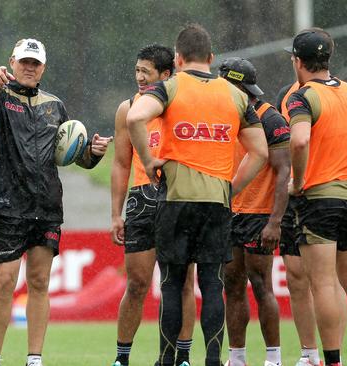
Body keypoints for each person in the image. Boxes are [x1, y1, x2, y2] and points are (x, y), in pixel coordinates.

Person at [126, 24, 268, 366]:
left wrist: (147, 160)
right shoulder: (234, 95)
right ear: (211, 58)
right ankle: (214, 360)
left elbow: (134, 118)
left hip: (175, 198)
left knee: (173, 282)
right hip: (216, 202)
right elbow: (260, 151)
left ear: (177, 58)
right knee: (212, 283)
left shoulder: (169, 87)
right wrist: (231, 185)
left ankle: (166, 358)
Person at [0, 38, 111, 366]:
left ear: (43, 67)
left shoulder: (55, 105)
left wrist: (93, 153)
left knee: (39, 281)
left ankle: (35, 359)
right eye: (24, 62)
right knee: (5, 280)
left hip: (46, 205)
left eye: (35, 63)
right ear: (12, 62)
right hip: (5, 203)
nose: (29, 68)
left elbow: (71, 154)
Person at [110, 44, 196, 366]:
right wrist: (115, 214)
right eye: (137, 71)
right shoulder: (127, 109)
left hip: (177, 197)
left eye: (146, 72)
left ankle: (183, 357)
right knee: (137, 283)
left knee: (182, 281)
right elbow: (120, 164)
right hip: (141, 199)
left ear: (166, 74)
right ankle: (121, 358)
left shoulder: (182, 104)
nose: (140, 78)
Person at [287, 27, 347, 366]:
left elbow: (300, 140)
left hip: (318, 199)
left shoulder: (302, 96)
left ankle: (333, 361)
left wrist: (299, 181)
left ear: (298, 61)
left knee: (323, 284)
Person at [219, 58, 290, 366]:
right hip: (227, 211)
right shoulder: (223, 116)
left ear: (236, 86)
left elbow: (284, 171)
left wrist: (275, 222)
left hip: (260, 214)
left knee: (261, 285)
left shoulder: (269, 118)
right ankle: (237, 358)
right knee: (232, 285)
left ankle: (273, 359)